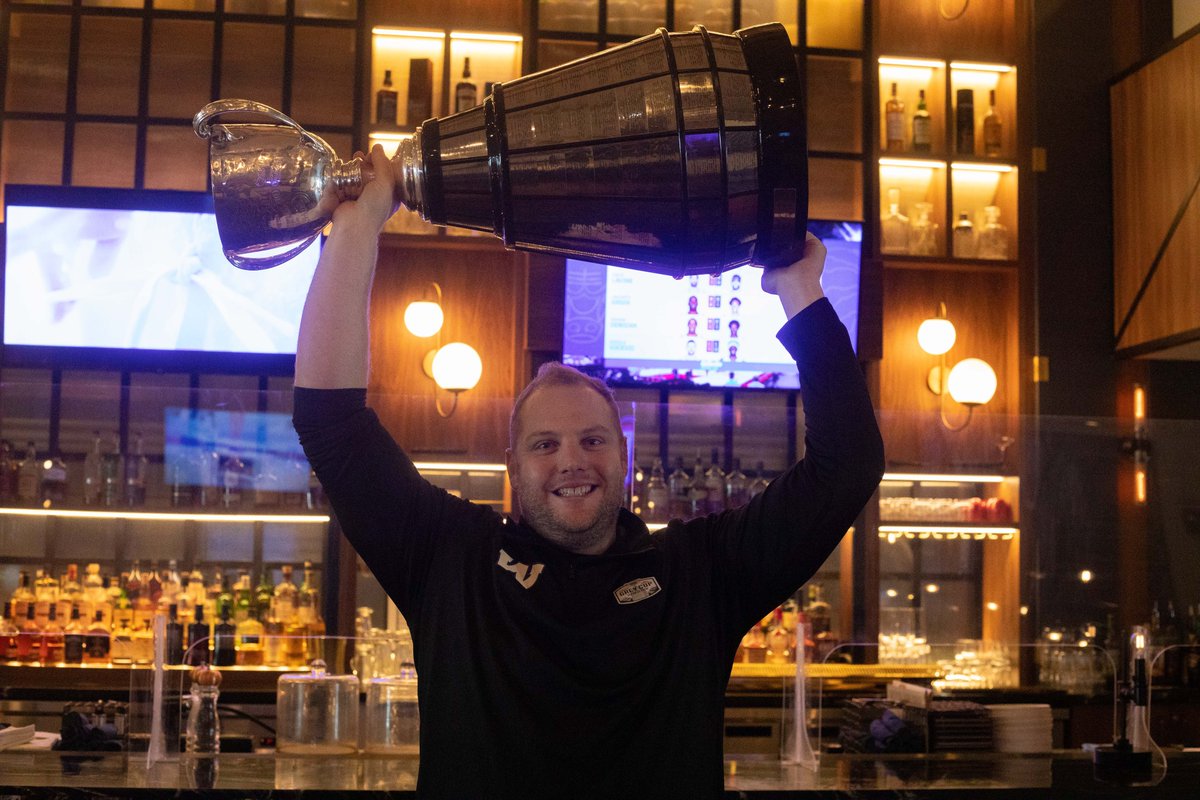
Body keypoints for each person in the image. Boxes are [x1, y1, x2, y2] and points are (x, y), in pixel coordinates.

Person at [292, 146, 884, 799]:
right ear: (511, 465)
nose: (571, 459)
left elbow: (848, 463)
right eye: (545, 444)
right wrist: (356, 227)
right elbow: (331, 424)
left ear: (623, 459)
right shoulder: (448, 557)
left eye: (592, 439)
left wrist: (800, 286)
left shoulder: (703, 573)